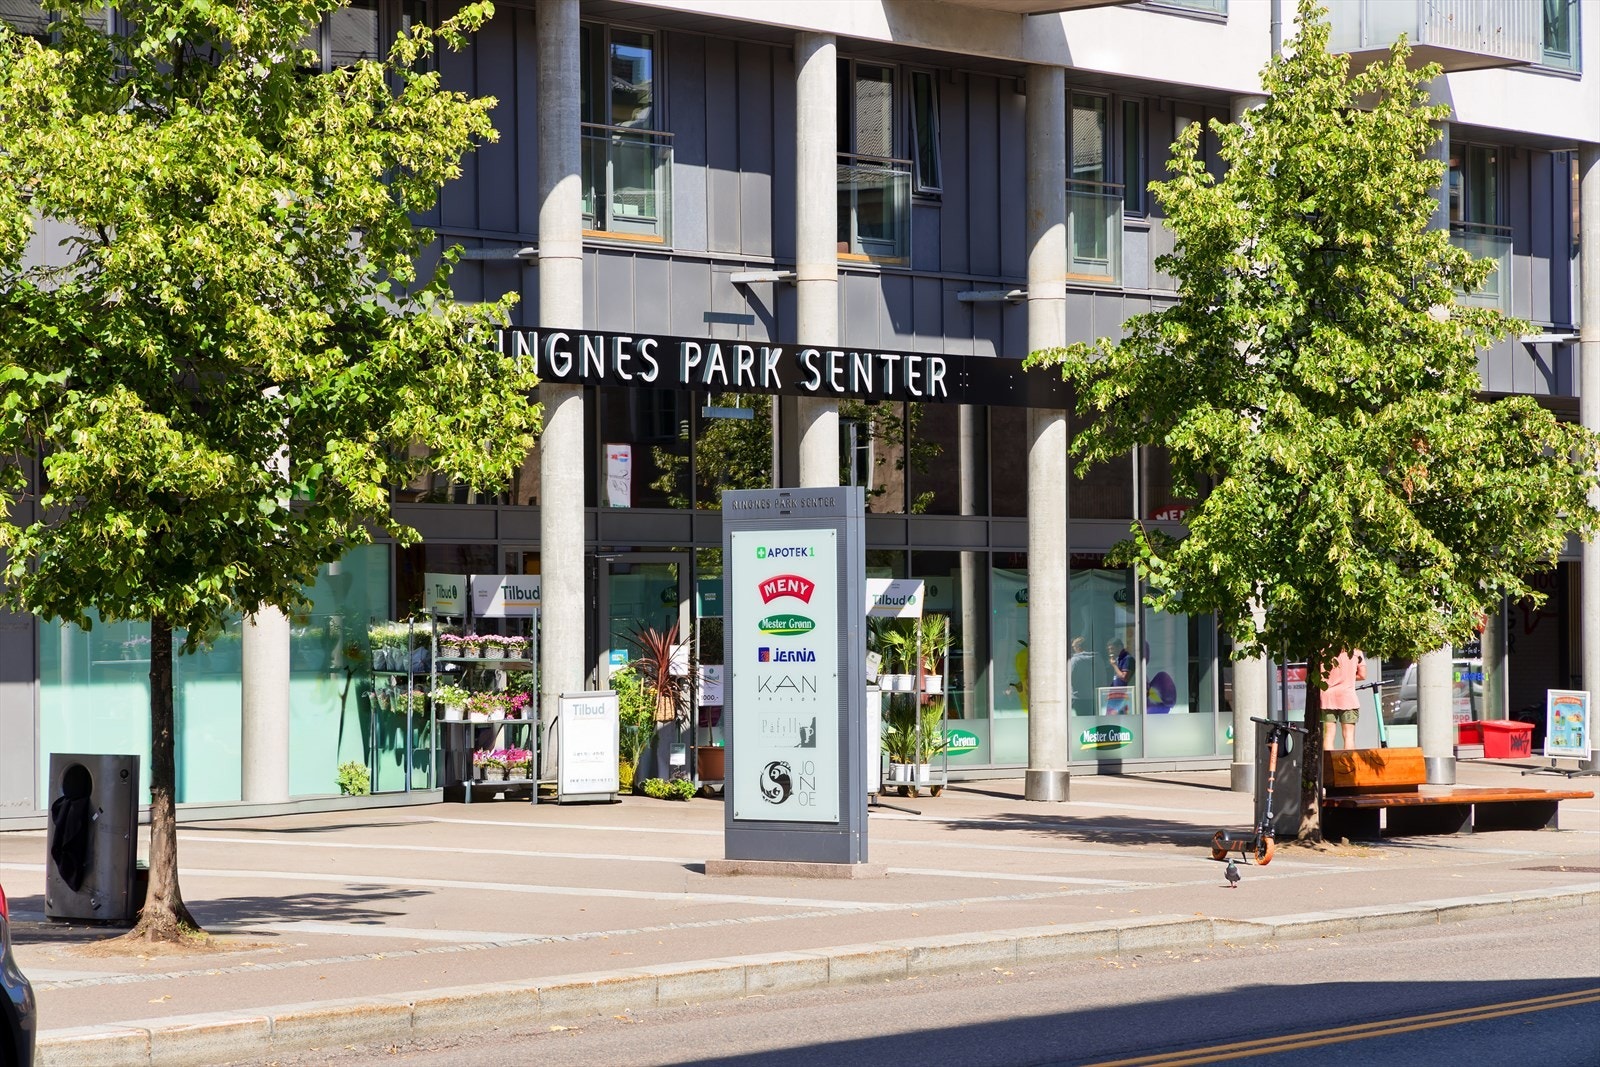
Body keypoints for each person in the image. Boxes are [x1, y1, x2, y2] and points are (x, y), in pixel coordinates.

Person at [1321, 650, 1367, 750]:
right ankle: (1347, 760)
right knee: (1349, 736)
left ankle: (1328, 760)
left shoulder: (1324, 651)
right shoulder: (1356, 651)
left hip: (1328, 697)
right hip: (1348, 697)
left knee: (1328, 734)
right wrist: (1348, 677)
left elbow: (1320, 674)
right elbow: (1362, 675)